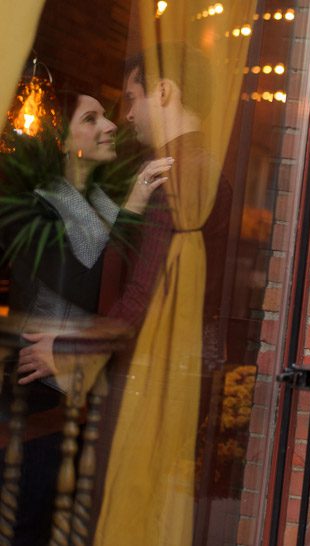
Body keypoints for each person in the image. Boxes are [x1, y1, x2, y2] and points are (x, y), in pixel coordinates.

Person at [0, 90, 170, 545]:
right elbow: (83, 282)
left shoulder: (98, 199)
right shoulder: (30, 204)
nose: (111, 126)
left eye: (107, 117)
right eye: (91, 119)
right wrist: (134, 207)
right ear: (63, 140)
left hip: (81, 394)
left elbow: (125, 273)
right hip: (38, 400)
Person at [91, 43, 231, 546]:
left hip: (146, 372)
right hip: (183, 366)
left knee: (127, 504)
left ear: (165, 91)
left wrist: (72, 351)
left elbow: (141, 293)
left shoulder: (171, 174)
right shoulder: (210, 167)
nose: (126, 114)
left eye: (132, 98)